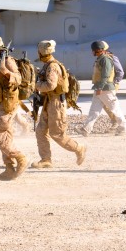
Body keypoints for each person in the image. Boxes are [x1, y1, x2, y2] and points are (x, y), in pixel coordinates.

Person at [31, 40, 86, 169]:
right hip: (48, 102)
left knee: (57, 134)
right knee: (41, 131)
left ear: (41, 52)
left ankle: (79, 148)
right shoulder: (47, 65)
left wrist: (35, 85)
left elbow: (51, 85)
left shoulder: (53, 67)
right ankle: (46, 159)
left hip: (56, 104)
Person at [0, 32, 27, 180]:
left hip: (8, 104)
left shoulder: (7, 61)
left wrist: (6, 72)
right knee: (6, 137)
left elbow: (18, 78)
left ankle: (20, 158)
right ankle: (9, 169)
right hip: (1, 103)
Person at [76, 41, 126, 137]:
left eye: (93, 50)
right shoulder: (100, 58)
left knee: (115, 109)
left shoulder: (105, 59)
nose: (92, 52)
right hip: (99, 88)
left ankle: (124, 128)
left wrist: (100, 87)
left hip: (105, 89)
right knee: (94, 110)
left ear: (99, 50)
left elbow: (105, 75)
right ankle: (86, 129)